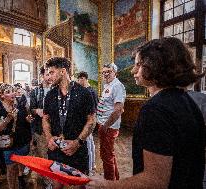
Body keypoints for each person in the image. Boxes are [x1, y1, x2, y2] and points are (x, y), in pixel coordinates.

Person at [87, 37, 206, 188]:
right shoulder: (188, 102)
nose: (133, 71)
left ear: (156, 65)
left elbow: (154, 182)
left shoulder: (155, 109)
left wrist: (106, 185)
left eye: (138, 65)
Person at [43, 57, 95, 189]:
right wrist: (49, 138)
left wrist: (78, 142)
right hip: (56, 149)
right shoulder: (50, 95)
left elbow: (91, 120)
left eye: (52, 72)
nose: (49, 76)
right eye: (48, 73)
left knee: (78, 185)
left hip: (77, 149)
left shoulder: (84, 93)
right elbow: (45, 118)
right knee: (57, 184)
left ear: (63, 71)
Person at [0, 84, 32, 189]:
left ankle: (21, 176)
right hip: (9, 143)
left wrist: (28, 119)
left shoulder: (20, 103)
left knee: (22, 162)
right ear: (2, 96)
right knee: (11, 168)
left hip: (23, 139)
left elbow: (26, 118)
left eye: (13, 90)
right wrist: (7, 119)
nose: (13, 93)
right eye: (8, 92)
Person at [96, 63, 126, 181]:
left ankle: (109, 183)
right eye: (103, 72)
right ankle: (115, 180)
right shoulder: (108, 86)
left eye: (108, 71)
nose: (105, 74)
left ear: (115, 73)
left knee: (106, 156)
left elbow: (118, 110)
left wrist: (105, 126)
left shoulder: (117, 86)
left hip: (109, 127)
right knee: (108, 155)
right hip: (104, 125)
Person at [77, 71, 98, 175]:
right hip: (87, 121)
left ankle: (89, 170)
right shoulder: (88, 90)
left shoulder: (89, 92)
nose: (78, 81)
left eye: (79, 79)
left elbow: (93, 110)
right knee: (91, 143)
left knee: (88, 145)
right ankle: (92, 165)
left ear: (83, 78)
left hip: (88, 122)